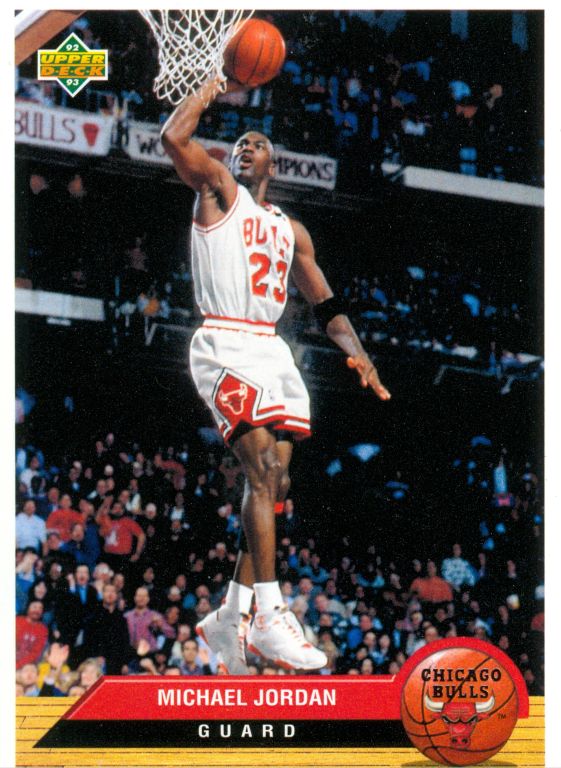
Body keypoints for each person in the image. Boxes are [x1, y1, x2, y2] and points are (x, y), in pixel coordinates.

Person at [161, 74, 390, 674]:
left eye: (257, 143)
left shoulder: (292, 230)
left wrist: (360, 354)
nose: (245, 148)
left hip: (271, 349)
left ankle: (230, 613)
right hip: (223, 339)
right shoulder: (218, 190)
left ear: (273, 162)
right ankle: (268, 614)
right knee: (261, 471)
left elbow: (326, 304)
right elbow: (173, 137)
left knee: (277, 484)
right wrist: (213, 85)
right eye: (239, 143)